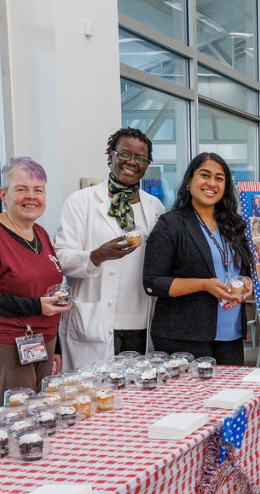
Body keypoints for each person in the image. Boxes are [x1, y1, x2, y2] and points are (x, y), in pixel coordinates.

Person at [0, 157, 71, 406]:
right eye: (21, 189)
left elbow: (46, 293)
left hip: (45, 340)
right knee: (20, 420)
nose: (31, 197)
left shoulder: (39, 232)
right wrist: (34, 307)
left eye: (37, 190)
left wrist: (58, 346)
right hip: (8, 343)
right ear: (3, 194)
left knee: (44, 414)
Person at [54, 128, 166, 370]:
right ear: (110, 156)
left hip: (141, 319)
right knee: (95, 396)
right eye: (125, 154)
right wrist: (96, 256)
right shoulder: (81, 201)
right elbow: (61, 259)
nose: (133, 163)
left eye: (141, 158)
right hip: (94, 319)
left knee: (136, 395)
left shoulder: (154, 206)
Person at [143, 153, 253, 366]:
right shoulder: (171, 224)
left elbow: (243, 270)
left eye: (219, 178)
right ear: (190, 181)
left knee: (230, 397)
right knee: (194, 399)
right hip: (185, 336)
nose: (212, 183)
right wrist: (203, 285)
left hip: (231, 334)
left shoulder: (234, 225)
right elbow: (152, 283)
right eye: (205, 175)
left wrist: (247, 282)